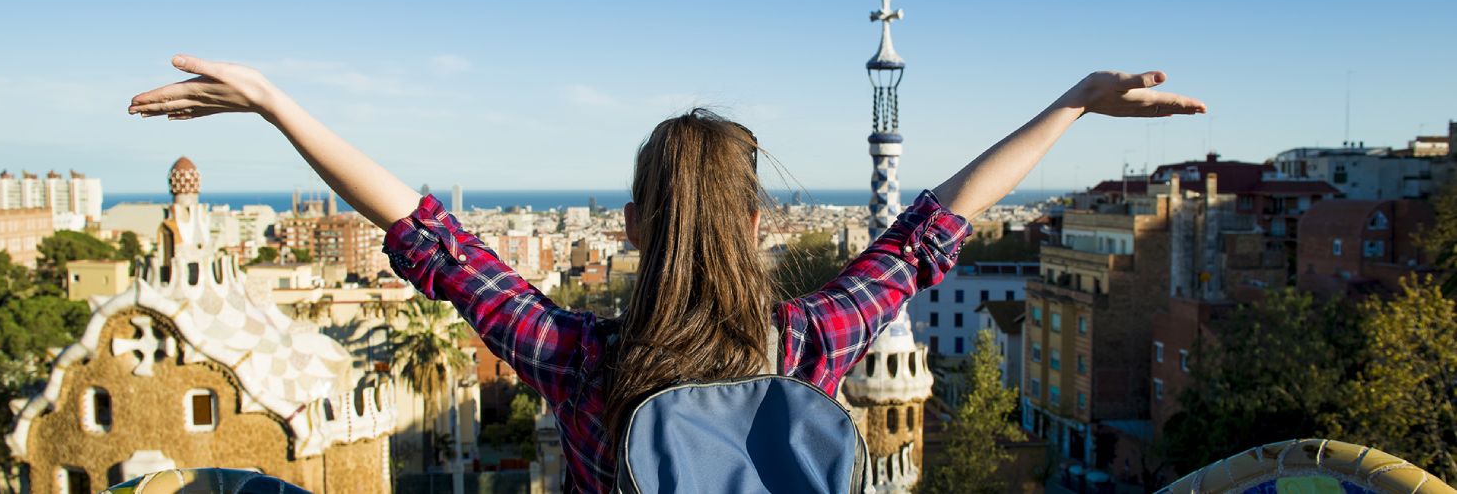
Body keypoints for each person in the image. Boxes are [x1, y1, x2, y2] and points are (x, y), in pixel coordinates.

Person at [128, 55, 1205, 492]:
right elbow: (937, 227)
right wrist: (1074, 100)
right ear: (757, 222)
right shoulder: (809, 342)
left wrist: (275, 101)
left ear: (636, 224)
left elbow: (431, 239)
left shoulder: (583, 359)